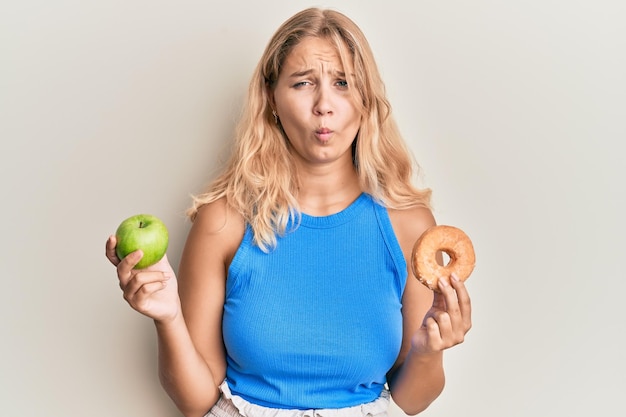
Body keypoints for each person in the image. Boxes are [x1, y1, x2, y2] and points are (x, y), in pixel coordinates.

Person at [105, 7, 472, 417]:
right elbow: (195, 402)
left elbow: (412, 400)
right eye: (302, 83)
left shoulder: (409, 225)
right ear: (272, 99)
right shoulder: (223, 221)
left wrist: (429, 351)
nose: (324, 105)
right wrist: (167, 317)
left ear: (366, 101)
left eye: (342, 83)